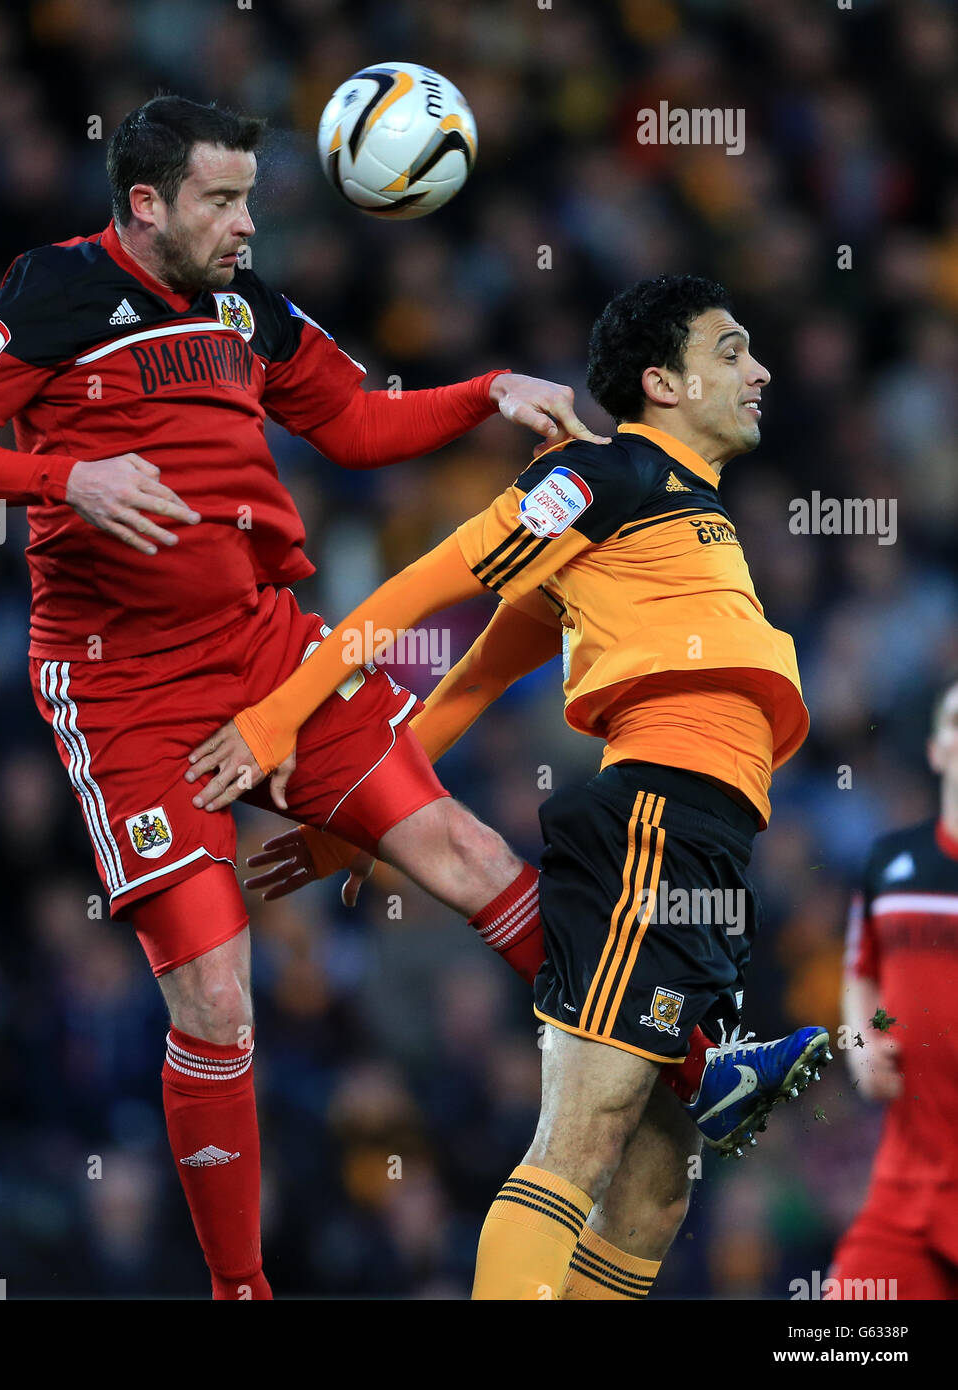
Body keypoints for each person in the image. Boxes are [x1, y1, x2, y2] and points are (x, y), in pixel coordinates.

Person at [189, 273, 832, 1299]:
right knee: (582, 1137)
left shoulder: (668, 512)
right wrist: (276, 723)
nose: (757, 371)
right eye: (729, 350)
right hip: (650, 823)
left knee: (658, 1182)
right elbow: (415, 592)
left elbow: (477, 676)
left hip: (707, 836)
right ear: (660, 383)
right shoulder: (598, 474)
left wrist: (356, 828)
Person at [828, 676, 958, 1300]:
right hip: (909, 1186)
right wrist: (860, 1041)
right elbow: (862, 977)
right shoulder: (889, 863)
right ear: (936, 749)